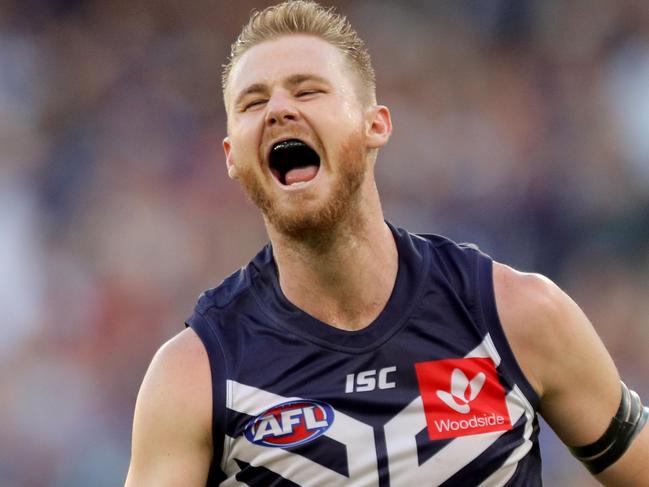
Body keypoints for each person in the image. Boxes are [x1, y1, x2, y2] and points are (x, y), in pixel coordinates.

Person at [125, 1, 649, 485]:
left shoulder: (516, 315)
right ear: (231, 156)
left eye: (307, 91)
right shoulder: (196, 376)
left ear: (375, 125)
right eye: (253, 101)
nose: (279, 110)